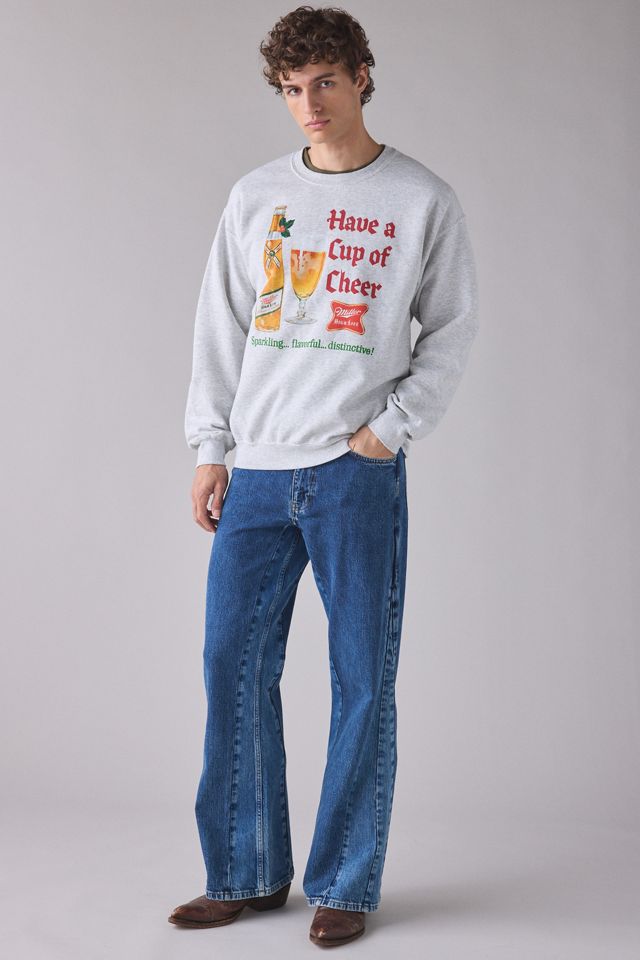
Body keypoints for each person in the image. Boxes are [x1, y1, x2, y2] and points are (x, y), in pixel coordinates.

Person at [168, 4, 479, 948]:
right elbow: (221, 323)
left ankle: (345, 881)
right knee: (232, 666)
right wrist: (211, 447)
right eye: (292, 88)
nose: (309, 103)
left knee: (361, 678)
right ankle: (245, 871)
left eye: (326, 83)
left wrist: (391, 430)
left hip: (354, 474)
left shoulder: (420, 199)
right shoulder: (256, 195)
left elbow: (452, 327)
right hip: (259, 469)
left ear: (361, 76)